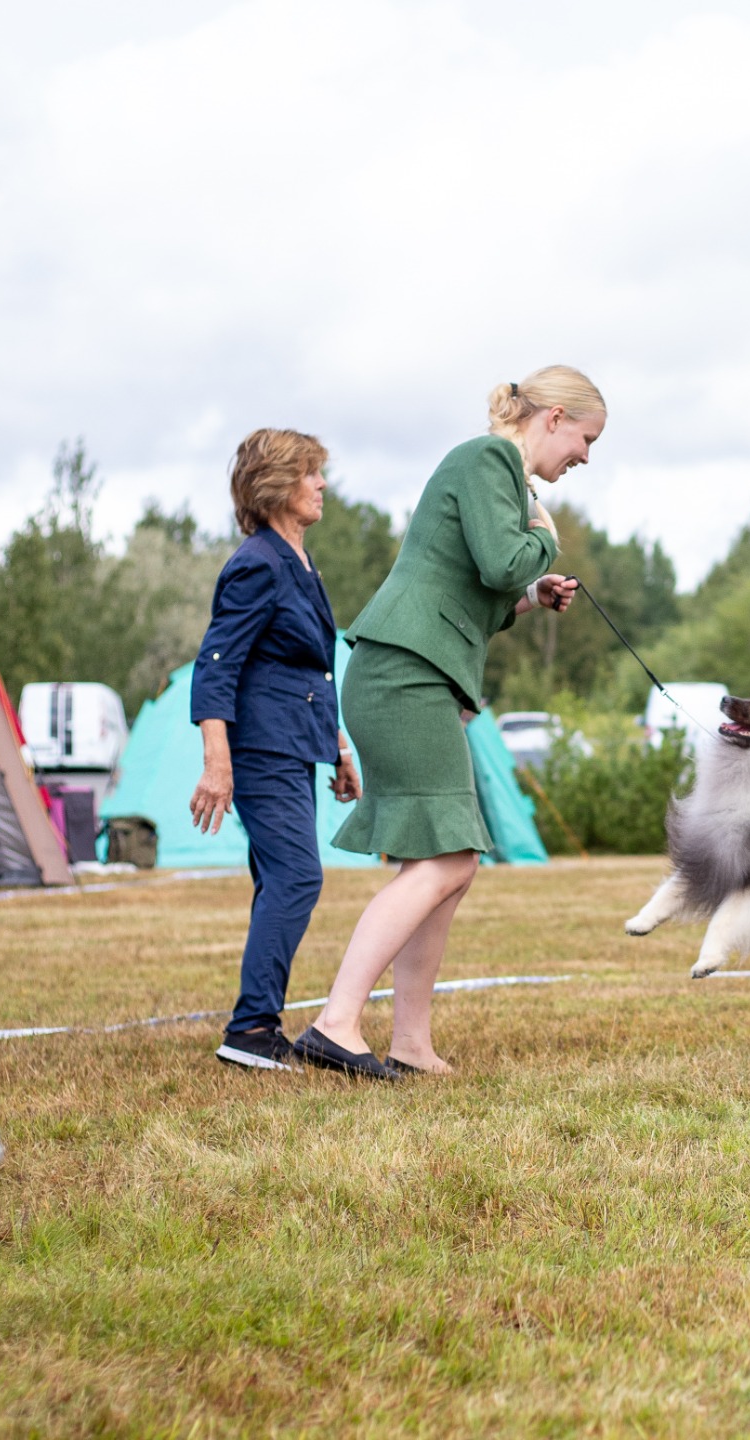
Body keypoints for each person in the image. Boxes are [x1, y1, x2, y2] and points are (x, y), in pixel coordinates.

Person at [293, 367, 602, 1080]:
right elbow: (500, 558)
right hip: (404, 676)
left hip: (410, 671)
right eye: (587, 439)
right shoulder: (490, 458)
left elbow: (476, 587)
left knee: (438, 867)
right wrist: (544, 544)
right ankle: (336, 1023)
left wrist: (529, 595)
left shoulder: (492, 471)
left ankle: (411, 1042)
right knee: (452, 859)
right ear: (554, 418)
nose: (585, 457)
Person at [189, 429, 362, 1071]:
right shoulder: (257, 562)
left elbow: (313, 670)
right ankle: (251, 1030)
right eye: (311, 474)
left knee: (279, 879)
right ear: (276, 486)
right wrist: (217, 762)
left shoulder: (299, 562)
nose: (322, 484)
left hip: (296, 745)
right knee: (297, 876)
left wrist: (338, 748)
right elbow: (215, 665)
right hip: (260, 750)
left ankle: (257, 1025)